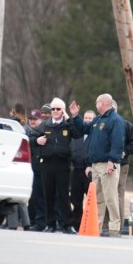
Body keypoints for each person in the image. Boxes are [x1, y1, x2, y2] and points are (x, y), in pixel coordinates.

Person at [69, 94, 125, 237]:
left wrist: (112, 161)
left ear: (104, 103)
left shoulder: (115, 120)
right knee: (97, 199)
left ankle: (114, 228)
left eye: (97, 102)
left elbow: (117, 143)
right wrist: (75, 116)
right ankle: (97, 226)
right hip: (95, 165)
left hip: (108, 164)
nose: (95, 104)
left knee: (110, 197)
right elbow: (83, 128)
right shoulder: (97, 119)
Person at [30, 97, 79, 234]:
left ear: (63, 110)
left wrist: (69, 119)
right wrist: (37, 141)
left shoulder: (67, 124)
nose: (55, 111)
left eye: (58, 109)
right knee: (48, 195)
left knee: (63, 195)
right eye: (53, 109)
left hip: (62, 164)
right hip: (47, 164)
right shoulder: (44, 125)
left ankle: (67, 225)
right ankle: (50, 224)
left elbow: (77, 133)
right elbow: (31, 138)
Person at [109, 100, 133, 233]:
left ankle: (118, 227)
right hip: (103, 164)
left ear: (115, 110)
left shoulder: (126, 125)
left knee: (118, 195)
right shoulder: (101, 124)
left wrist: (124, 152)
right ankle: (104, 226)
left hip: (121, 165)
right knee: (105, 195)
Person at [70, 110, 95, 231]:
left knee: (91, 200)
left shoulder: (95, 135)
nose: (87, 120)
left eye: (90, 118)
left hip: (90, 171)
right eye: (86, 118)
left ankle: (89, 225)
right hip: (76, 171)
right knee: (76, 200)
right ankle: (76, 224)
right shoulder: (77, 134)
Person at [25, 109, 47, 231]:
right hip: (30, 169)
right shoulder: (27, 132)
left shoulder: (44, 130)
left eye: (35, 119)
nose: (33, 121)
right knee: (33, 198)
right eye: (31, 119)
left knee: (41, 197)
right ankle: (33, 221)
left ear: (41, 120)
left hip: (41, 168)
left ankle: (43, 222)